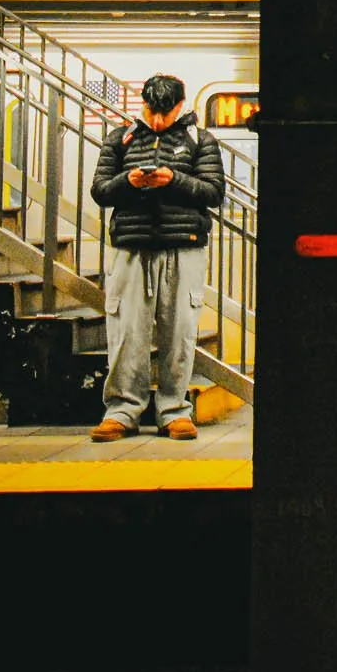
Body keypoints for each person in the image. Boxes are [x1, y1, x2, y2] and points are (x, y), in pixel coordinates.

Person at [87, 74, 223, 442]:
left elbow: (213, 192)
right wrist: (128, 183)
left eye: (166, 112)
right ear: (142, 104)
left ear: (181, 106)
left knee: (178, 332)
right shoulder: (121, 139)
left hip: (184, 247)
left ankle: (174, 410)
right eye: (152, 111)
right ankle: (121, 411)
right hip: (133, 246)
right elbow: (100, 190)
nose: (159, 120)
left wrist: (173, 180)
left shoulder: (201, 142)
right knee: (126, 331)